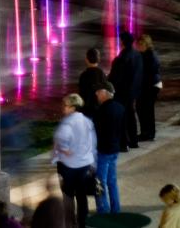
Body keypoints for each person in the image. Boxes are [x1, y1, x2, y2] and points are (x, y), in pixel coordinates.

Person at [52, 94, 95, 228]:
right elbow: (92, 142)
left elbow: (60, 138)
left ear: (72, 107)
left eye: (65, 105)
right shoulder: (86, 121)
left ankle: (70, 223)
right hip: (84, 164)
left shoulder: (67, 122)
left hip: (69, 166)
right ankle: (83, 222)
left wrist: (64, 150)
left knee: (68, 195)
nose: (62, 108)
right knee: (82, 196)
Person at [93, 81, 125, 215]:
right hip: (115, 149)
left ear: (105, 93)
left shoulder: (101, 110)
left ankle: (103, 210)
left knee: (99, 182)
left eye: (98, 92)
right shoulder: (120, 107)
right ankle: (115, 208)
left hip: (103, 151)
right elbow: (123, 129)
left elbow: (97, 131)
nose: (96, 95)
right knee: (112, 181)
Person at [108, 31, 143, 150]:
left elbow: (116, 77)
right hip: (133, 91)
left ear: (122, 42)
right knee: (131, 115)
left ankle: (124, 144)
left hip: (122, 92)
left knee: (122, 117)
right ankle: (134, 141)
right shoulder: (137, 55)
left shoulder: (122, 57)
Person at [136, 34, 162, 141]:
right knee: (146, 109)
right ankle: (148, 132)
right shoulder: (149, 54)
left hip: (150, 86)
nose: (137, 47)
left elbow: (147, 73)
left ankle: (147, 133)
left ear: (145, 45)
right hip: (153, 84)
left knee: (144, 109)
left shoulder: (148, 56)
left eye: (139, 45)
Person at [78, 47, 107, 118]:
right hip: (99, 108)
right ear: (98, 59)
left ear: (87, 60)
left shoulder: (84, 75)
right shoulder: (102, 74)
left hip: (87, 108)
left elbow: (82, 93)